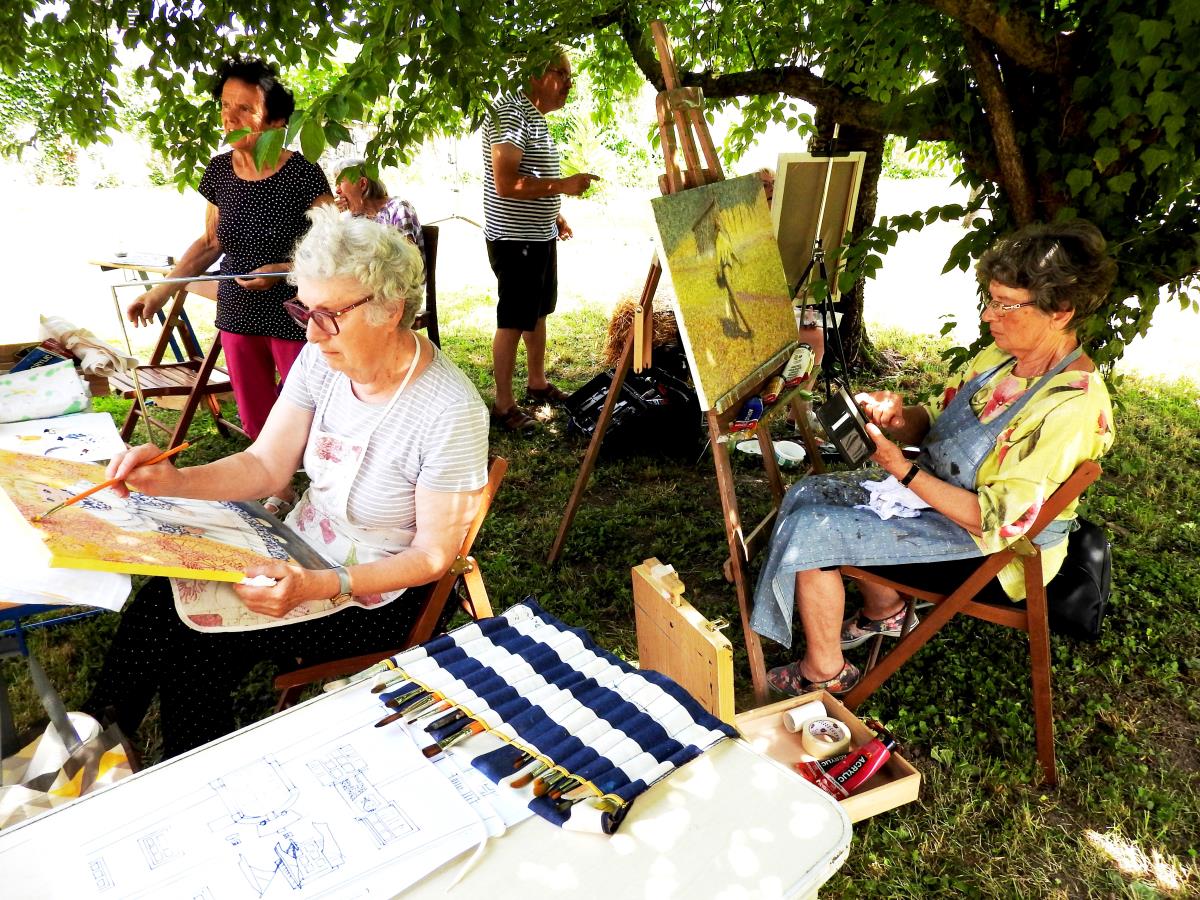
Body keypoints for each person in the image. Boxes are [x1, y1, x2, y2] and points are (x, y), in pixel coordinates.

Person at [85, 206, 490, 758]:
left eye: (330, 315)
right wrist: (173, 480)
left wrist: (320, 585)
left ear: (390, 309)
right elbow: (266, 466)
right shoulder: (323, 361)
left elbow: (432, 557)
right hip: (300, 545)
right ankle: (93, 741)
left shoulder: (448, 410)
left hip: (379, 594)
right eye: (305, 310)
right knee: (164, 598)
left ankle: (189, 773)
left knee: (198, 649)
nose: (313, 333)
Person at [751, 220, 1117, 696]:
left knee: (812, 530)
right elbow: (936, 423)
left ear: (1061, 312)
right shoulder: (1000, 359)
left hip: (996, 553)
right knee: (808, 493)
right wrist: (898, 419)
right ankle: (885, 610)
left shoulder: (1072, 406)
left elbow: (995, 523)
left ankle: (825, 672)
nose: (988, 315)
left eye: (1006, 305)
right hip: (940, 501)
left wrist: (901, 469)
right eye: (989, 299)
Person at [125, 56, 334, 444]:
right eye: (225, 105)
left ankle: (314, 471)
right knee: (256, 413)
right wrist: (160, 292)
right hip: (238, 308)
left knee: (309, 407)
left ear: (276, 122)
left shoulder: (303, 173)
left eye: (245, 109)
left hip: (298, 308)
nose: (229, 117)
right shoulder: (220, 170)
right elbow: (211, 242)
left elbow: (335, 245)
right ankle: (274, 475)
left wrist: (284, 270)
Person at [482, 50, 599, 430]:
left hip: (537, 234)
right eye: (561, 73)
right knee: (513, 320)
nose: (569, 83)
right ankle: (503, 406)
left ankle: (537, 383)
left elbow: (529, 177)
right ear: (534, 73)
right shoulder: (512, 113)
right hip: (516, 239)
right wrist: (564, 185)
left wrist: (554, 214)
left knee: (537, 313)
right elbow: (506, 183)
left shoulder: (533, 116)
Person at [333, 157, 425, 256]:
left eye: (340, 183)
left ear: (362, 184)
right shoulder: (350, 219)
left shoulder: (398, 209)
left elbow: (407, 260)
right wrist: (333, 218)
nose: (337, 191)